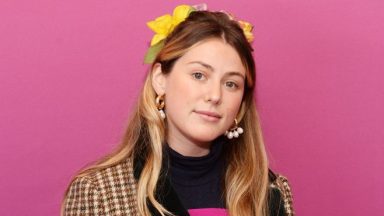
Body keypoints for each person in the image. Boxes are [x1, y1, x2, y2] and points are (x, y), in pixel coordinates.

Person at [62, 4, 294, 216]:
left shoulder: (272, 192)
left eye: (231, 83)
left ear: (242, 102)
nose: (215, 95)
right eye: (199, 75)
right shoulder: (99, 192)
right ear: (160, 79)